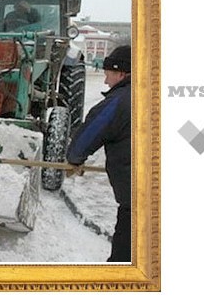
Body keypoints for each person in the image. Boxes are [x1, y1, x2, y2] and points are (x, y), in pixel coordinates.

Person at [65, 45, 132, 262]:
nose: (105, 81)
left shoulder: (118, 103)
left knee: (125, 262)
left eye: (108, 75)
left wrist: (75, 161)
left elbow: (82, 144)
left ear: (121, 73)